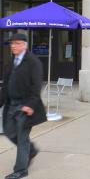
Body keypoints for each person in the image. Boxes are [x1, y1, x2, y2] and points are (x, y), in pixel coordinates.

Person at [0, 33, 47, 179]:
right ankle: (31, 150)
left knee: (22, 138)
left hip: (25, 107)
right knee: (8, 132)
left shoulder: (33, 62)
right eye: (11, 43)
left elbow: (36, 86)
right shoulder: (11, 62)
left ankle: (20, 170)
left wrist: (30, 105)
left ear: (24, 45)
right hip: (11, 105)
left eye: (16, 43)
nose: (13, 46)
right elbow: (5, 86)